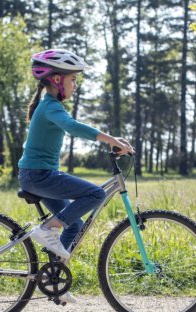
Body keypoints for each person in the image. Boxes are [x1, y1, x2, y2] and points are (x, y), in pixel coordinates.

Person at [18, 48, 134, 275]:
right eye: (73, 79)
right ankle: (50, 228)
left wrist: (112, 140)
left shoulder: (49, 105)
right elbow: (72, 127)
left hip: (37, 175)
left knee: (76, 224)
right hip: (38, 176)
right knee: (96, 194)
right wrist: (110, 140)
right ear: (57, 79)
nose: (75, 85)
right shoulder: (50, 106)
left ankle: (54, 276)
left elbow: (74, 126)